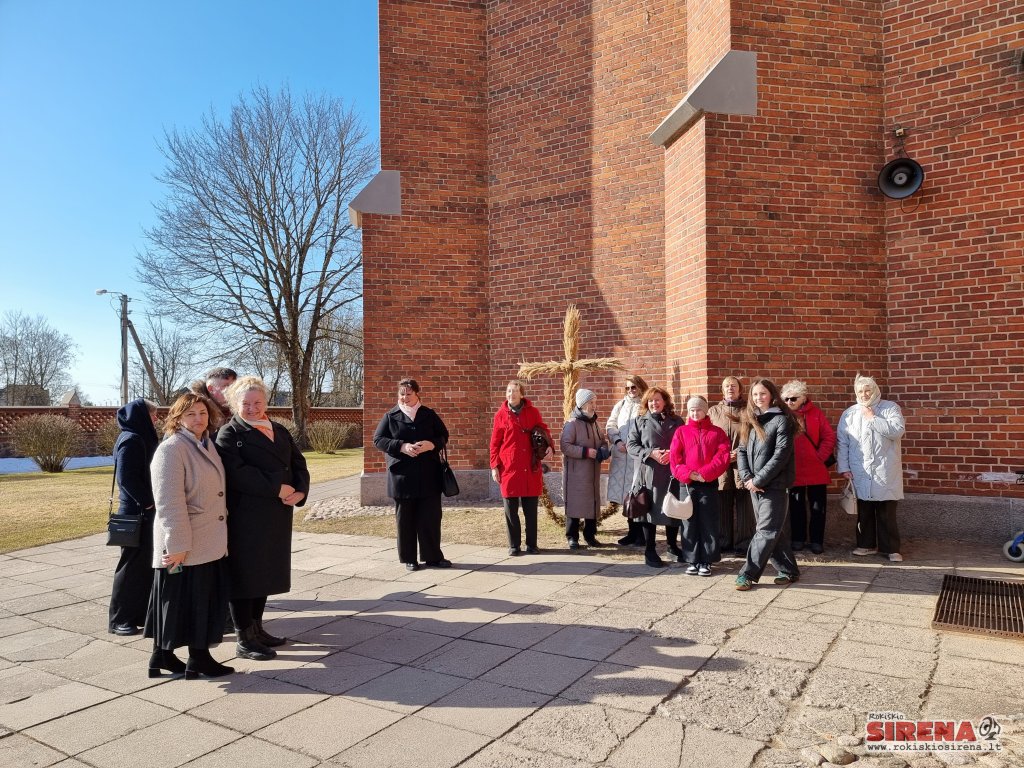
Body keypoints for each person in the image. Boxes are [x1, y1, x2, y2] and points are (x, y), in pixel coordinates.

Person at [216, 376, 310, 661]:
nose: (252, 408)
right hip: (247, 516)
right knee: (246, 575)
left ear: (266, 402)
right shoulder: (229, 433)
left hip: (277, 513)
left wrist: (300, 491)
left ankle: (257, 629)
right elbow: (236, 473)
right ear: (234, 403)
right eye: (245, 403)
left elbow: (298, 463)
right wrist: (275, 486)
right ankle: (244, 638)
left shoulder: (278, 429)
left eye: (257, 402)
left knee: (265, 572)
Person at [145, 392, 232, 679]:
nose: (198, 419)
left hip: (206, 539)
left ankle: (162, 656)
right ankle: (199, 658)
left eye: (203, 413)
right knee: (189, 601)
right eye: (191, 414)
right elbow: (168, 502)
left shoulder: (204, 443)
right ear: (178, 418)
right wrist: (178, 545)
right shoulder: (172, 449)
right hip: (185, 542)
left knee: (185, 601)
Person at [373, 378, 452, 571]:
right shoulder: (390, 416)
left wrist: (431, 444)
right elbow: (378, 440)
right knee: (405, 520)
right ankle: (409, 558)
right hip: (402, 476)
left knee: (430, 518)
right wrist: (402, 446)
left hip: (429, 475)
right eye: (402, 394)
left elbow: (443, 436)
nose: (405, 397)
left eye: (409, 394)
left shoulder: (429, 414)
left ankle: (433, 557)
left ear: (417, 394)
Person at [734, 378, 801, 591]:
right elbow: (741, 450)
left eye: (763, 393)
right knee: (771, 529)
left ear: (772, 395)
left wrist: (759, 480)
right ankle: (788, 569)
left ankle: (747, 574)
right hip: (754, 485)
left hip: (774, 485)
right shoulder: (750, 419)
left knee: (766, 530)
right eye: (755, 394)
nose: (758, 398)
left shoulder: (782, 420)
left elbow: (781, 455)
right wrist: (747, 478)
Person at [837, 374, 906, 562]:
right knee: (864, 510)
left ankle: (891, 548)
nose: (864, 394)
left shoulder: (890, 408)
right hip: (860, 470)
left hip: (885, 469)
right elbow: (843, 442)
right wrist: (844, 467)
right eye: (860, 391)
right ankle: (865, 544)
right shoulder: (849, 413)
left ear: (875, 390)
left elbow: (897, 431)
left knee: (886, 511)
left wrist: (873, 418)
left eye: (868, 390)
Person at [108, 398, 160, 636]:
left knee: (142, 567)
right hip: (136, 512)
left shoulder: (138, 437)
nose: (156, 419)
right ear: (141, 416)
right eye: (153, 415)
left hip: (144, 512)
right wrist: (148, 502)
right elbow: (126, 478)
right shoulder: (131, 439)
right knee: (130, 568)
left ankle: (138, 614)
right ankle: (120, 618)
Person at [669, 396, 731, 575]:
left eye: (698, 410)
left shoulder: (717, 433)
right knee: (688, 522)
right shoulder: (681, 432)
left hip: (708, 483)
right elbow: (675, 458)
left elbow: (723, 456)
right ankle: (692, 559)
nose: (695, 413)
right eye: (692, 410)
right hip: (687, 484)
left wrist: (705, 473)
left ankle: (707, 560)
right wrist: (688, 474)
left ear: (705, 411)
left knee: (708, 522)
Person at [490, 380, 552, 555]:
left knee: (530, 509)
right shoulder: (500, 415)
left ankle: (532, 544)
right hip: (509, 467)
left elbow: (544, 430)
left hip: (530, 466)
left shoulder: (533, 412)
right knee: (511, 510)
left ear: (522, 394)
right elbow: (494, 443)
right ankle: (514, 545)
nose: (511, 394)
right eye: (509, 391)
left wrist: (549, 446)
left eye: (515, 391)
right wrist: (494, 466)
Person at [627, 386, 684, 567]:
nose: (654, 403)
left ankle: (672, 546)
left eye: (657, 399)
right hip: (649, 472)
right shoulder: (639, 421)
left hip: (672, 472)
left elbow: (685, 443)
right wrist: (651, 453)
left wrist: (672, 453)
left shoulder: (677, 421)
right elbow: (631, 446)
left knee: (672, 507)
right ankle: (650, 550)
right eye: (650, 400)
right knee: (649, 511)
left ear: (665, 401)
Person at [781, 379, 836, 555]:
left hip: (815, 468)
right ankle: (798, 538)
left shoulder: (816, 413)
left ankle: (816, 541)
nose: (789, 402)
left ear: (803, 398)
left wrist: (819, 456)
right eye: (786, 399)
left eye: (793, 398)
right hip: (794, 468)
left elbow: (829, 436)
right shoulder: (783, 416)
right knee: (796, 506)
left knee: (818, 507)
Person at [708, 376, 755, 555]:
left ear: (740, 389)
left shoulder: (748, 410)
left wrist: (739, 452)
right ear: (722, 390)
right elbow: (707, 438)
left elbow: (754, 436)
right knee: (722, 502)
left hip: (744, 463)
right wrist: (722, 455)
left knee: (744, 504)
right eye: (726, 386)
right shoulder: (713, 411)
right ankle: (723, 541)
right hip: (720, 465)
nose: (730, 388)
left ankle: (744, 543)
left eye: (733, 386)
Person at [560, 389, 610, 549]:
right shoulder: (572, 424)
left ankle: (590, 535)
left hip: (592, 472)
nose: (594, 406)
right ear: (582, 404)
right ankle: (572, 537)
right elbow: (565, 446)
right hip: (576, 473)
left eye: (595, 402)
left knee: (591, 504)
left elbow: (603, 441)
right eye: (591, 403)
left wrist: (604, 450)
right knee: (575, 503)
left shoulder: (595, 423)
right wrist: (586, 452)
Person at [606, 374, 648, 546]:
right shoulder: (620, 405)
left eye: (633, 387)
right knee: (626, 496)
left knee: (638, 494)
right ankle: (631, 533)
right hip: (621, 457)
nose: (631, 390)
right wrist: (617, 441)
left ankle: (642, 534)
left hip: (637, 458)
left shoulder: (645, 405)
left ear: (640, 387)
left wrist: (635, 446)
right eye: (628, 388)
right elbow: (611, 425)